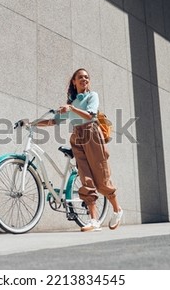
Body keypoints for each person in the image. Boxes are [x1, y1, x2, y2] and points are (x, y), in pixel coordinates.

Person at [37, 68, 123, 232]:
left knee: (101, 175)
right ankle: (93, 220)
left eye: (86, 77)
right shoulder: (71, 103)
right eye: (80, 77)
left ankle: (117, 210)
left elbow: (90, 115)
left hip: (91, 133)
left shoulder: (92, 96)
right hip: (77, 137)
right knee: (86, 178)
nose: (84, 79)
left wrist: (71, 109)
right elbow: (53, 122)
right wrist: (32, 124)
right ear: (74, 82)